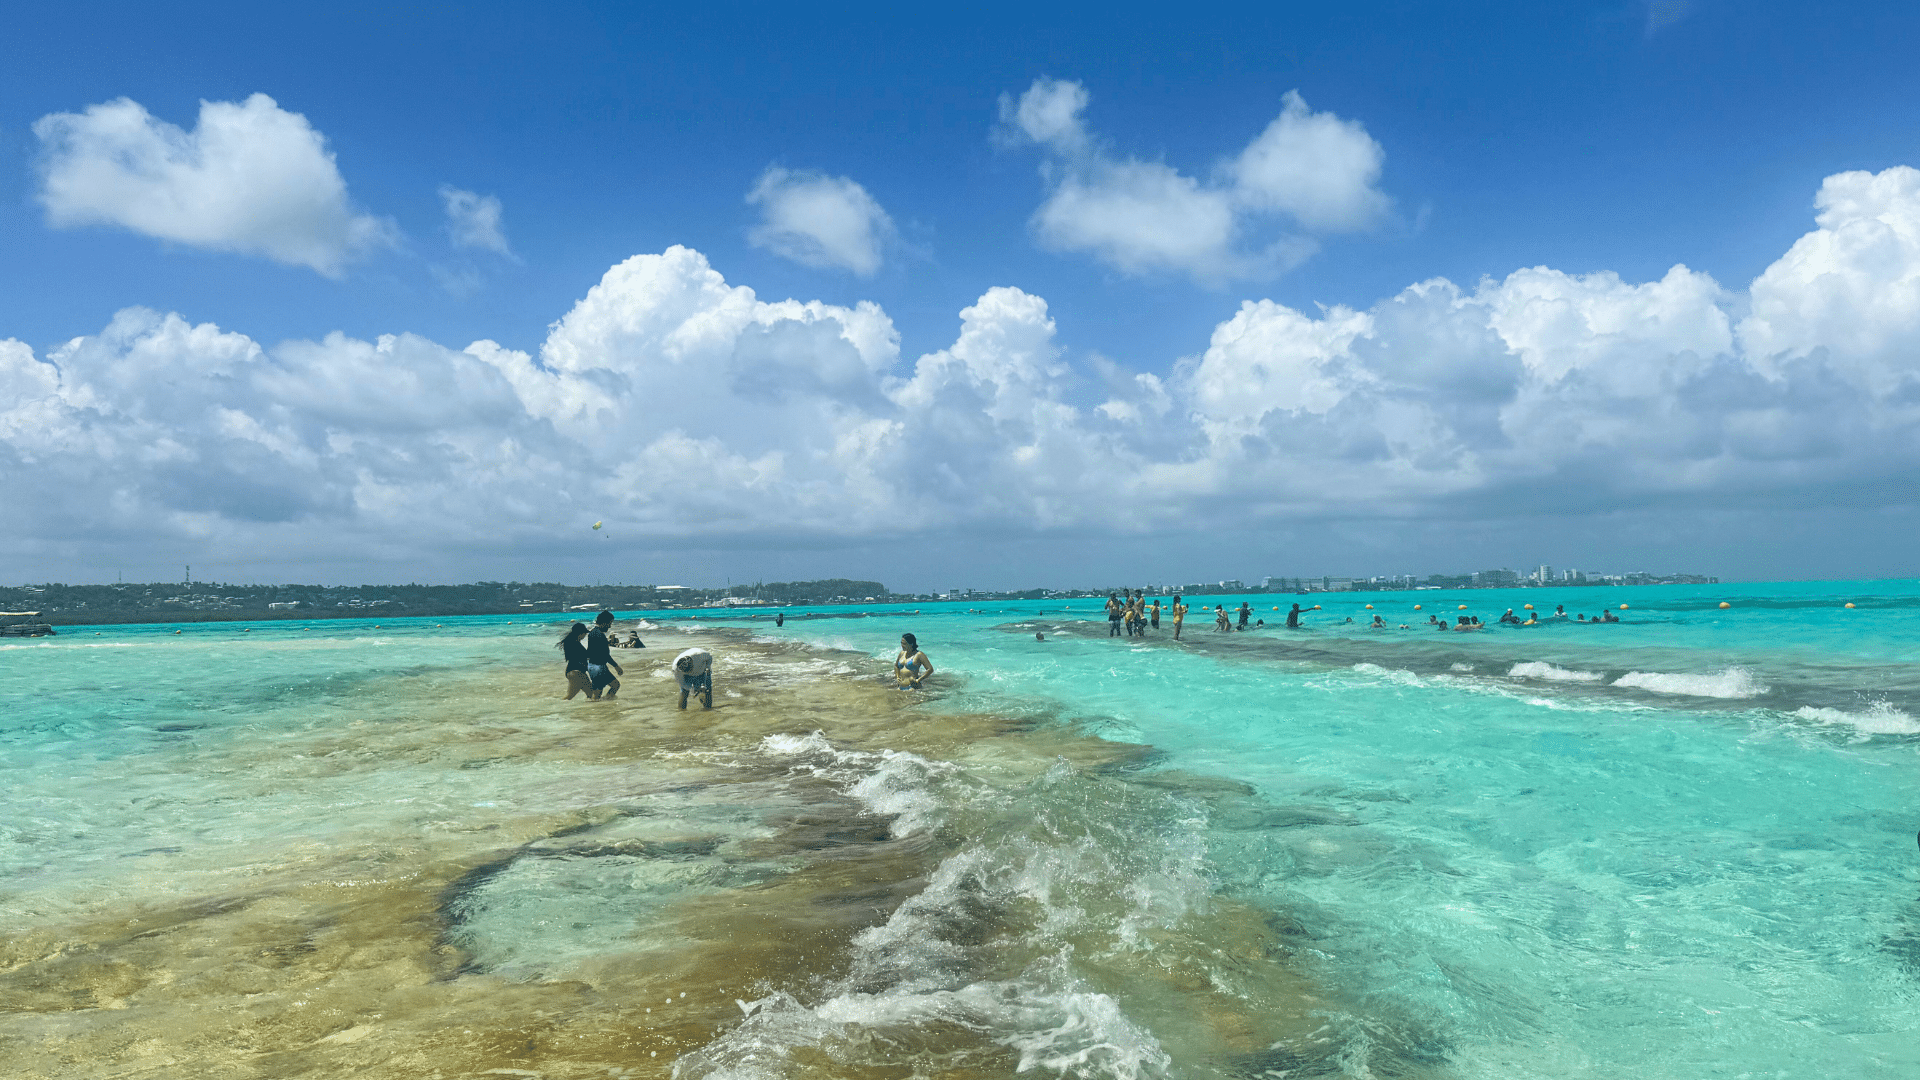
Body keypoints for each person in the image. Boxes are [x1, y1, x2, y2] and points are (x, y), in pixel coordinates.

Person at [586, 610, 624, 699]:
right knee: (597, 694)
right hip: (598, 667)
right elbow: (605, 655)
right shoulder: (599, 635)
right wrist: (616, 666)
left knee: (615, 685)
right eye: (610, 623)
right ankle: (595, 710)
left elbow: (589, 651)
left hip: (595, 666)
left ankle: (606, 706)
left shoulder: (593, 632)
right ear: (604, 622)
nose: (610, 626)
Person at [558, 622, 594, 700]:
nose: (585, 635)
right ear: (580, 633)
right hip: (577, 672)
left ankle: (556, 709)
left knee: (569, 697)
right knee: (592, 695)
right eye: (585, 633)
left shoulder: (572, 642)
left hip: (571, 672)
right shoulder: (575, 644)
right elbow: (585, 656)